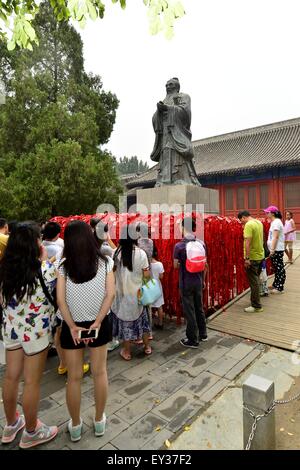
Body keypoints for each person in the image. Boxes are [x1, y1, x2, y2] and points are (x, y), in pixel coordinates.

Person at [0, 222, 58, 448]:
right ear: (34, 243)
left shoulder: (4, 270)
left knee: (11, 376)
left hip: (10, 330)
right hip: (36, 334)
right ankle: (32, 431)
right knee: (32, 381)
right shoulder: (45, 270)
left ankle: (11, 423)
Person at [56, 221, 115, 442]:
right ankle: (99, 421)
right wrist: (98, 322)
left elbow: (60, 300)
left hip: (73, 326)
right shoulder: (106, 262)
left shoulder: (63, 266)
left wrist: (71, 326)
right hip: (98, 324)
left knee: (74, 378)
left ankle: (76, 425)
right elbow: (110, 295)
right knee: (100, 373)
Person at [150, 77, 200, 187]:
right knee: (165, 154)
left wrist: (169, 108)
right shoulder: (164, 100)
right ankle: (163, 179)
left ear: (177, 87)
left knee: (178, 155)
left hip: (177, 132)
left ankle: (181, 177)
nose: (168, 87)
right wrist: (159, 112)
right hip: (165, 134)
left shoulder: (184, 97)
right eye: (166, 85)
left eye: (170, 85)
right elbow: (155, 119)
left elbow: (185, 113)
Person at [111, 225, 152, 361]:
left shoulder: (116, 253)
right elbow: (146, 275)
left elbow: (112, 272)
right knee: (144, 323)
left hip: (122, 296)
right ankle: (147, 347)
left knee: (125, 324)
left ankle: (127, 352)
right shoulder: (141, 254)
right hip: (138, 294)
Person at [174, 217, 208, 348]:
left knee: (189, 310)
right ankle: (203, 334)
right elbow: (205, 264)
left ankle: (192, 339)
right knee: (199, 307)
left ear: (183, 228)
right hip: (198, 280)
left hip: (186, 282)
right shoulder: (201, 243)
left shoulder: (179, 246)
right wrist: (203, 280)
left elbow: (176, 266)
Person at [94, 221, 119, 352]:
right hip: (106, 284)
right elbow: (116, 252)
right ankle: (111, 339)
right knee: (108, 311)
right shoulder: (106, 249)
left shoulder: (91, 246)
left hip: (96, 285)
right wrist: (109, 239)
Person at [238, 211, 264, 313]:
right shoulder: (258, 222)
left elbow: (247, 242)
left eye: (241, 221)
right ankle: (256, 302)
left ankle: (256, 306)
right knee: (256, 280)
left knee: (254, 282)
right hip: (260, 256)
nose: (241, 223)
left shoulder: (248, 225)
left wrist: (247, 258)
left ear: (244, 217)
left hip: (252, 258)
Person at [264, 206, 286, 294]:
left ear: (272, 213)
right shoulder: (274, 222)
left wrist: (272, 249)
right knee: (276, 268)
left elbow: (275, 237)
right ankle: (276, 284)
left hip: (277, 249)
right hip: (275, 248)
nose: (266, 214)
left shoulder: (276, 222)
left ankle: (280, 288)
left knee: (279, 268)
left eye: (267, 212)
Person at [151, 246, 165, 330]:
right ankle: (160, 323)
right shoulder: (159, 264)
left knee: (148, 306)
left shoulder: (146, 264)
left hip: (148, 287)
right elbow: (161, 277)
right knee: (159, 306)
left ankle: (148, 325)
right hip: (158, 287)